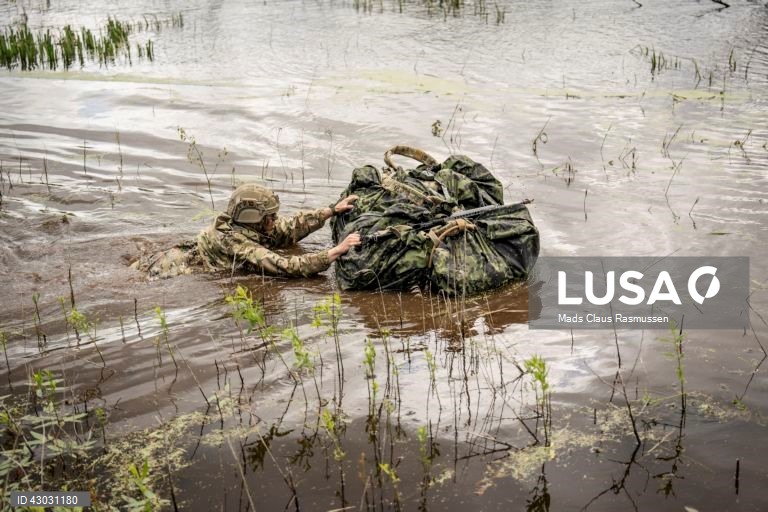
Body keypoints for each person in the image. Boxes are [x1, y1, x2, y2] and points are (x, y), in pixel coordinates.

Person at [132, 184, 361, 279]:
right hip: (169, 270)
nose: (275, 220)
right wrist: (335, 251)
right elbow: (286, 266)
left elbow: (289, 226)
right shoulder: (238, 244)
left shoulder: (249, 227)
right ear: (255, 220)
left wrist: (331, 210)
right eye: (270, 217)